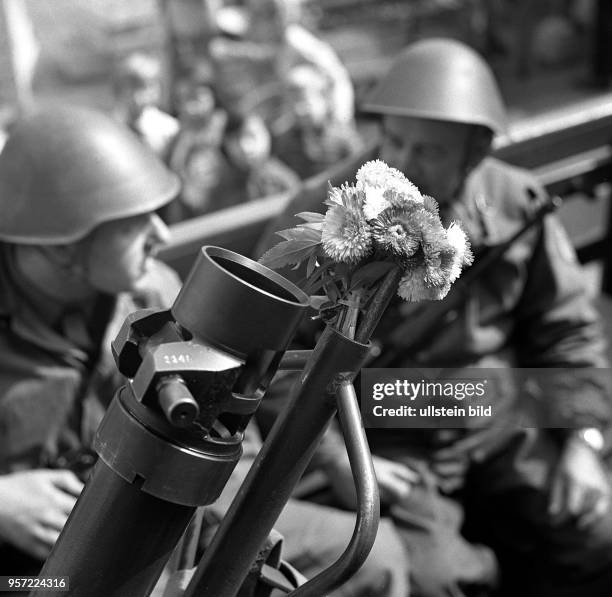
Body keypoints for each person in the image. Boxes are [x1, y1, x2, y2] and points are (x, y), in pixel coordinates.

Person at [256, 37, 612, 597]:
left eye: (429, 152)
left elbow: (566, 327)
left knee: (593, 534)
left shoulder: (516, 203)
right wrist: (335, 459)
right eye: (392, 140)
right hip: (391, 434)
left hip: (498, 416)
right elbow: (270, 357)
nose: (401, 164)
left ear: (475, 154)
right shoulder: (326, 221)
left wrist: (582, 440)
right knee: (439, 582)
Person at [0, 105, 182, 577]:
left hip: (155, 530)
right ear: (63, 245)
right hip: (28, 574)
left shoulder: (154, 290)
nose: (161, 235)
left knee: (375, 561)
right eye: (134, 223)